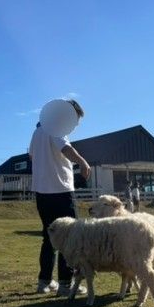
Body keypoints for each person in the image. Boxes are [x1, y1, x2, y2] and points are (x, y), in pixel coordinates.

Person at [29, 99, 91, 296]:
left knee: (49, 237)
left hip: (41, 192)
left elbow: (31, 156)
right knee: (69, 237)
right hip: (61, 191)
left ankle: (44, 282)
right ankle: (65, 284)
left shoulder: (37, 132)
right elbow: (65, 148)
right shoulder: (57, 130)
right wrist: (82, 162)